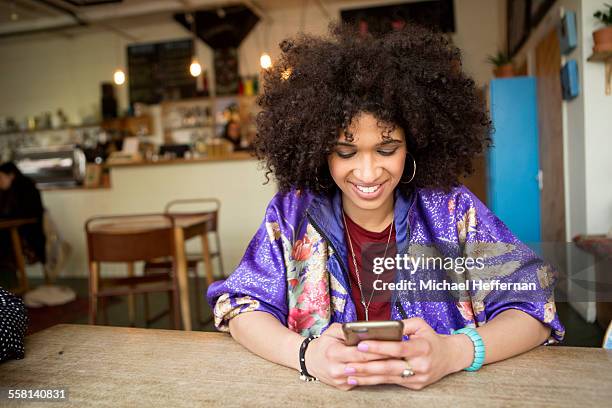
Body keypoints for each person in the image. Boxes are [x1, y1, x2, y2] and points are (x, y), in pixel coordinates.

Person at [207, 23, 565, 391]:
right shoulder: (291, 214)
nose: (367, 172)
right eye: (345, 152)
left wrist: (455, 352)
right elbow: (240, 307)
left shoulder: (452, 210)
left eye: (387, 149)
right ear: (319, 150)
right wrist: (306, 354)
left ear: (414, 143)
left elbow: (536, 306)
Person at [0, 162, 46, 288]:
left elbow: (26, 213)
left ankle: (10, 288)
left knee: (4, 246)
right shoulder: (5, 191)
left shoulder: (25, 187)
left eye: (1, 177)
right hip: (11, 231)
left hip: (28, 233)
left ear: (11, 175)